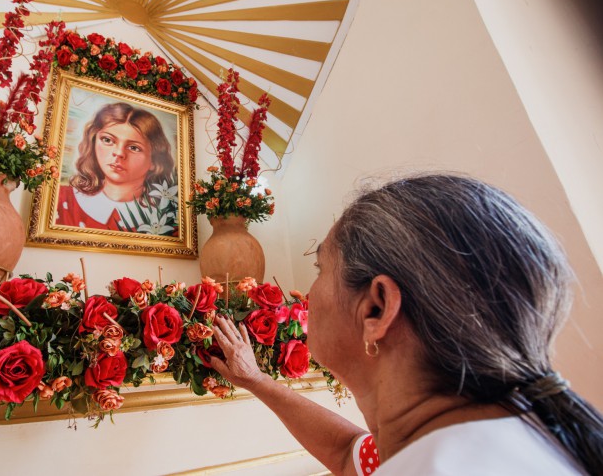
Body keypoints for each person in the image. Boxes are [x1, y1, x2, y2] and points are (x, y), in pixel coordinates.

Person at [211, 174, 603, 475]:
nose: (307, 292)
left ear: (377, 309)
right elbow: (347, 454)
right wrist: (258, 381)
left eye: (320, 268)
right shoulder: (510, 431)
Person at [56, 102, 177, 234]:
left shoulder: (168, 219)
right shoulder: (60, 199)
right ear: (93, 142)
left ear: (154, 160)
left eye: (134, 148)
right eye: (108, 140)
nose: (119, 153)